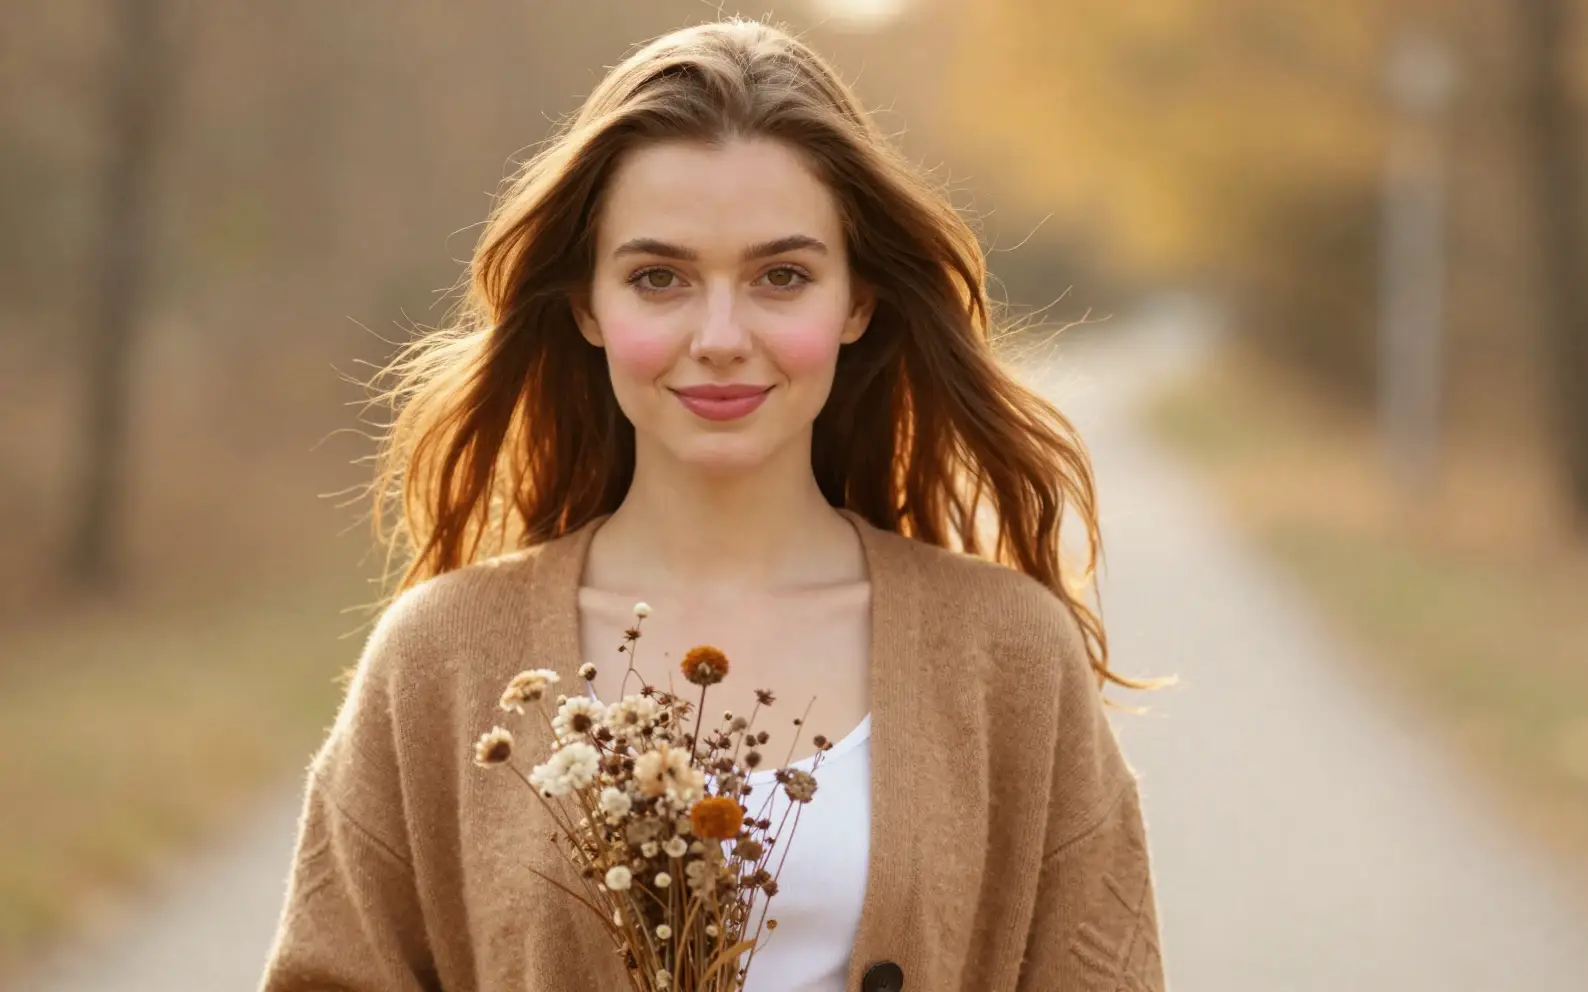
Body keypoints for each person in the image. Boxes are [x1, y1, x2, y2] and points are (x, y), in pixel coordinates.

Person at [261, 19, 1164, 992]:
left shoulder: (1010, 655)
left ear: (856, 301)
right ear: (587, 305)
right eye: (660, 278)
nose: (722, 335)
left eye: (782, 276)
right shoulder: (441, 658)